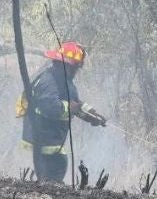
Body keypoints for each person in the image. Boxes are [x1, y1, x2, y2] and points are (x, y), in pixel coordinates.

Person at [16, 41, 107, 183]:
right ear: (65, 65)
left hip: (53, 139)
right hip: (43, 138)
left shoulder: (65, 81)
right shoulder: (48, 81)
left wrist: (91, 115)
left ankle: (50, 191)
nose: (76, 71)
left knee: (57, 167)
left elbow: (75, 103)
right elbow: (50, 107)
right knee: (55, 169)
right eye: (74, 67)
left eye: (77, 67)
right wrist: (71, 108)